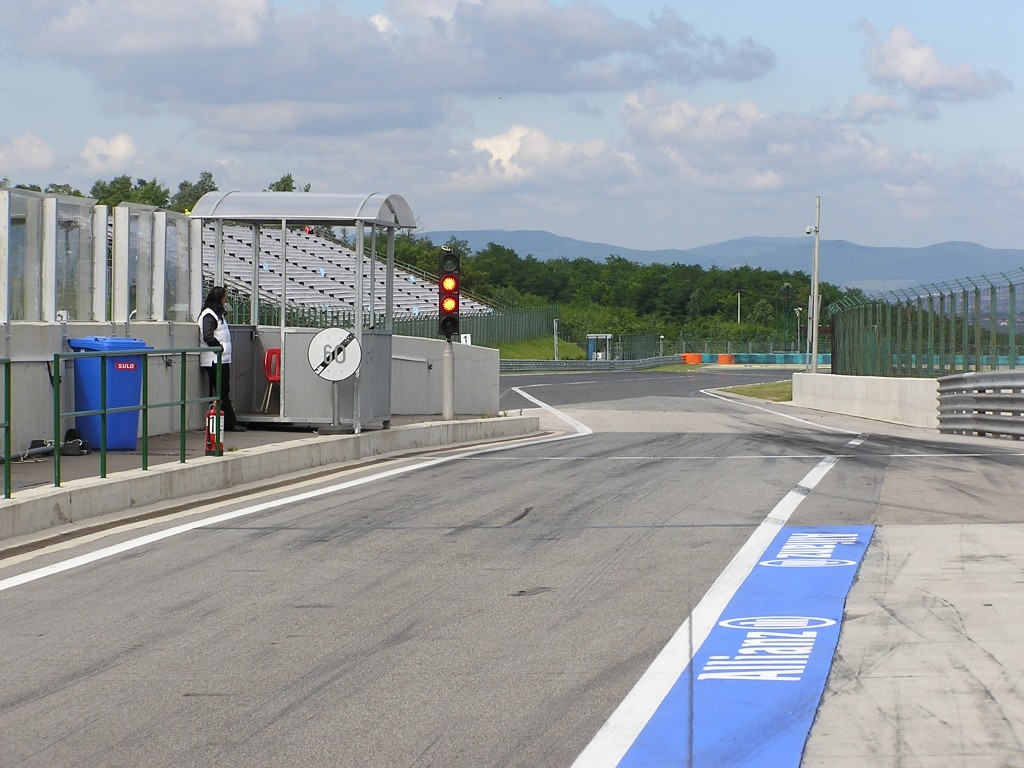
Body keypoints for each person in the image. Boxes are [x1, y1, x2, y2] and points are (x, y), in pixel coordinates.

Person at [198, 286, 246, 431]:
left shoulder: (218, 315)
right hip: (214, 359)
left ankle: (226, 421)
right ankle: (230, 423)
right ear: (219, 298)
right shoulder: (209, 315)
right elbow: (208, 336)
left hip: (221, 358)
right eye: (224, 297)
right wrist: (220, 348)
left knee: (223, 389)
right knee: (221, 390)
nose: (226, 300)